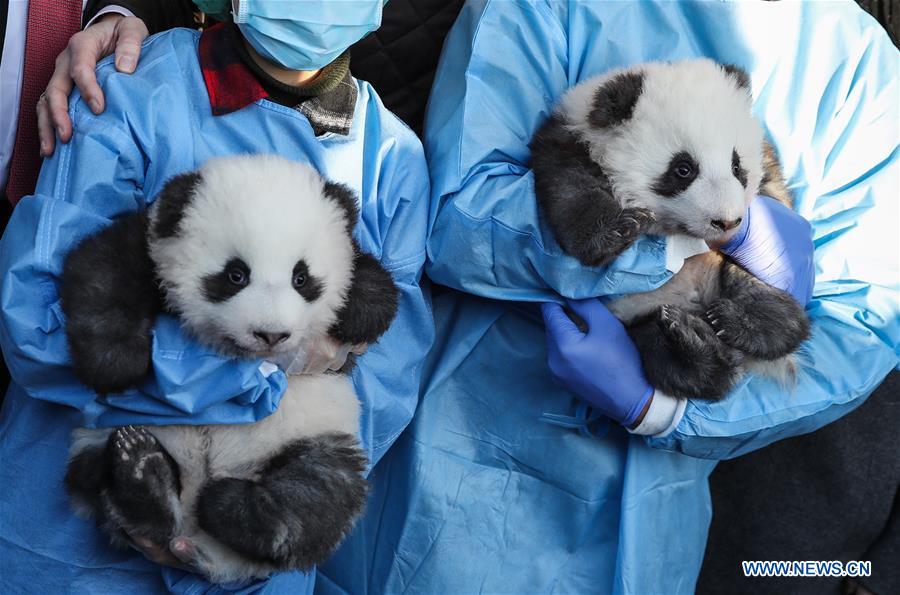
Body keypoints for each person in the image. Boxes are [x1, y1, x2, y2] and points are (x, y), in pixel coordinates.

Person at [312, 2, 898, 593]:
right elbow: (458, 214)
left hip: (662, 511)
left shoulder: (857, 65)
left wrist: (669, 410)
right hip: (470, 458)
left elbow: (869, 320)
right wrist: (672, 250)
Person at [0, 2, 433, 594]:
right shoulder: (131, 94)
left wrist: (262, 514)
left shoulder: (391, 160)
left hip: (251, 551)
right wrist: (246, 375)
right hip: (75, 551)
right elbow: (38, 324)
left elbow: (386, 382)